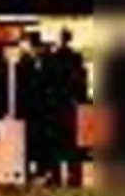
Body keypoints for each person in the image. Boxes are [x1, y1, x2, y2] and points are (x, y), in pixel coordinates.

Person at [45, 29, 90, 187]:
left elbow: (47, 82)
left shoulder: (52, 58)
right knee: (72, 144)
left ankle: (55, 175)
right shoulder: (76, 58)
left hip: (56, 105)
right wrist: (82, 101)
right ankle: (74, 176)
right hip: (71, 106)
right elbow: (82, 82)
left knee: (55, 143)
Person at [15, 32, 53, 185]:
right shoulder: (27, 61)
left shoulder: (32, 60)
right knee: (32, 140)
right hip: (33, 107)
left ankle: (39, 169)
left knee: (37, 140)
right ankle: (32, 168)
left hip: (37, 107)